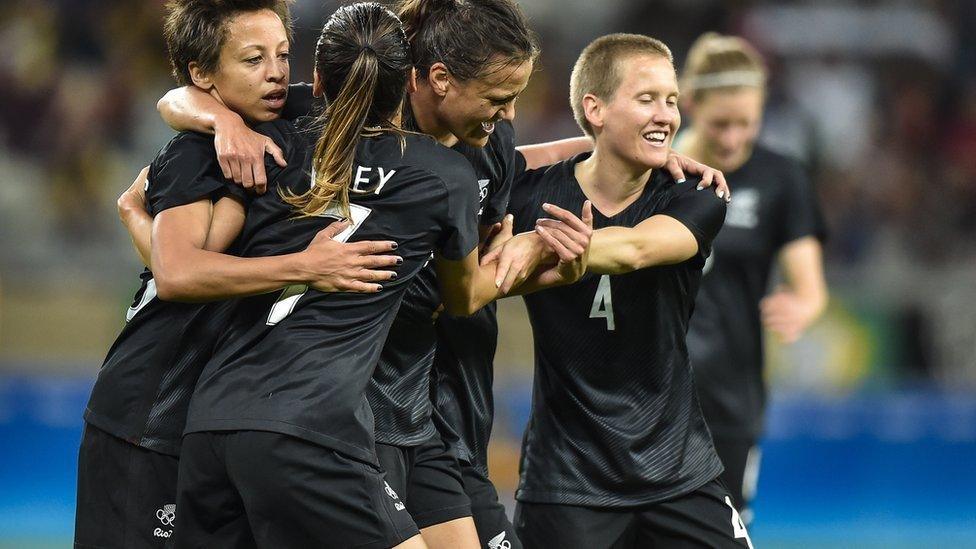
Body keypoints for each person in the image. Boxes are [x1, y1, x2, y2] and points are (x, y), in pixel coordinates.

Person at [153, 3, 727, 547]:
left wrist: (626, 145)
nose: (508, 114)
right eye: (499, 97)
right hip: (344, 409)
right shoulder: (349, 113)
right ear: (440, 80)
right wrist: (221, 121)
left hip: (442, 410)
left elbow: (522, 164)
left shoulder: (486, 144)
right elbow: (181, 99)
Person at [74, 2, 400, 547]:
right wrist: (304, 267)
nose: (276, 72)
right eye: (253, 59)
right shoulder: (196, 153)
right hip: (149, 416)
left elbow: (171, 99)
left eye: (283, 55)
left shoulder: (290, 120)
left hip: (216, 421)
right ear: (205, 73)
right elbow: (176, 276)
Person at [502, 33, 752, 548]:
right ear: (594, 109)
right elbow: (471, 171)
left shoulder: (697, 196)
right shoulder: (528, 195)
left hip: (677, 471)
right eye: (647, 99)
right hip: (567, 481)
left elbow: (635, 249)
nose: (667, 116)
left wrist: (537, 246)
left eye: (672, 100)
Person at [678, 32, 828, 524]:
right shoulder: (656, 171)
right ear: (690, 102)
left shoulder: (781, 178)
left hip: (730, 392)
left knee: (725, 528)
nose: (733, 139)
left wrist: (803, 305)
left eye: (747, 123)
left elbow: (811, 288)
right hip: (648, 385)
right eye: (721, 123)